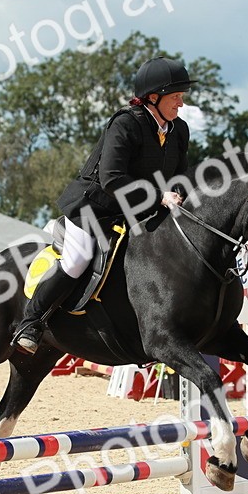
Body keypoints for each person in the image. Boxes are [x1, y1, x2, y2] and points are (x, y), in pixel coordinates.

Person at [11, 56, 196, 354]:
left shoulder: (178, 130)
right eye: (175, 97)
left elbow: (181, 175)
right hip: (93, 207)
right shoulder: (125, 124)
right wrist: (159, 196)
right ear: (153, 97)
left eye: (181, 97)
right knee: (77, 259)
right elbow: (112, 178)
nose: (181, 104)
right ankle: (31, 322)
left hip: (136, 210)